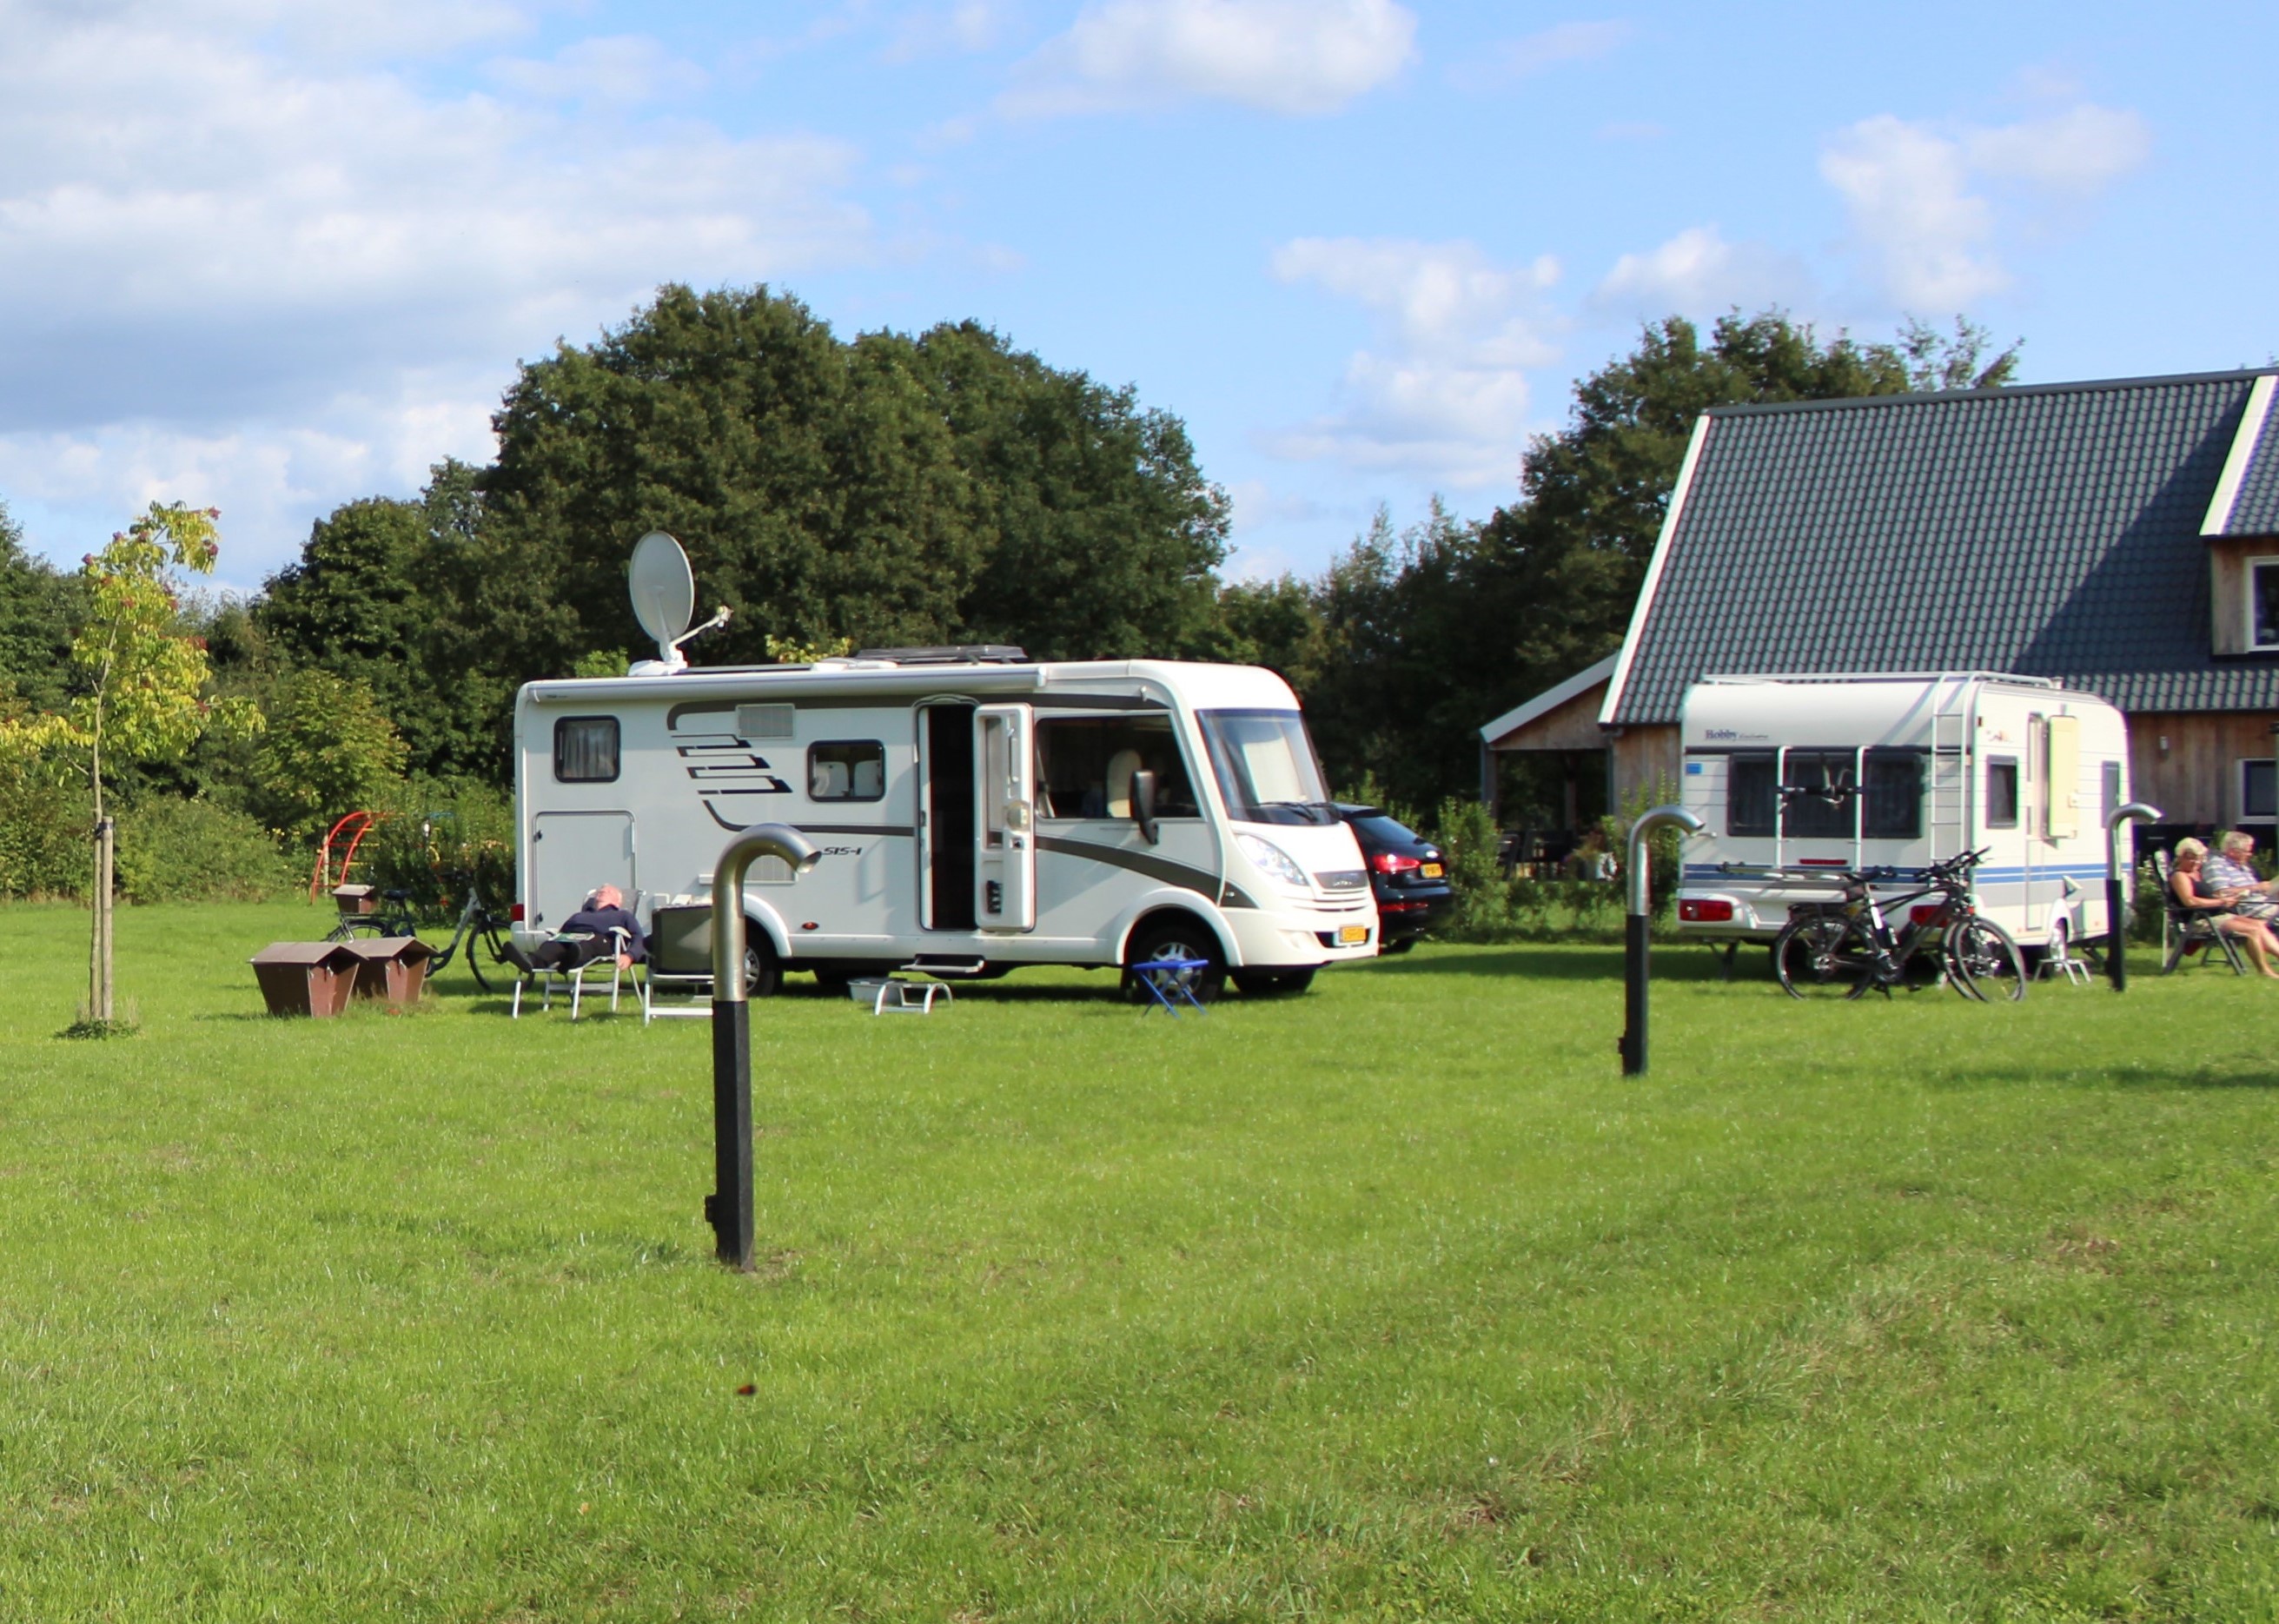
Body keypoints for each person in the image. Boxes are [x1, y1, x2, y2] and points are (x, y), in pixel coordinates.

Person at [2169, 839, 2279, 978]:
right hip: (2200, 921)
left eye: (2199, 859)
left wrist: (2225, 898)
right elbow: (2190, 901)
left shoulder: (2195, 874)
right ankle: (2264, 970)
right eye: (2191, 859)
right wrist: (2220, 901)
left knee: (2259, 925)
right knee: (2252, 931)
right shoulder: (2180, 876)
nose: (2196, 863)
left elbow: (2206, 895)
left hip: (2215, 916)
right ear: (2180, 857)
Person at [499, 885, 646, 975]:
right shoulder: (580, 915)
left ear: (617, 901)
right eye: (600, 891)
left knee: (586, 945)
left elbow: (638, 936)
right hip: (572, 937)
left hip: (601, 938)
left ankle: (570, 961)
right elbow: (563, 931)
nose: (601, 892)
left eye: (607, 891)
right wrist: (555, 938)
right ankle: (530, 961)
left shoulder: (621, 915)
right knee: (555, 944)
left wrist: (630, 955)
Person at [2202, 831, 2279, 922]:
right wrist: (2256, 887)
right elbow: (2221, 893)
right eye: (2247, 851)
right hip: (2247, 907)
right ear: (2233, 852)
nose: (2250, 854)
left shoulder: (2244, 867)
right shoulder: (2217, 865)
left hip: (2264, 903)